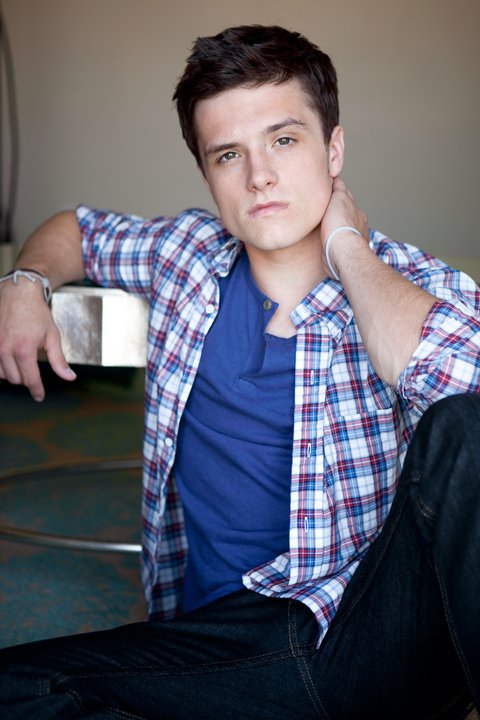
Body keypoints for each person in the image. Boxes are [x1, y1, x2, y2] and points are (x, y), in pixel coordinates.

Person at [0, 23, 479, 720]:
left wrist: (348, 248)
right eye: (229, 155)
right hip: (224, 648)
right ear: (208, 176)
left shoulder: (411, 284)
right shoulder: (186, 256)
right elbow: (78, 227)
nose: (259, 176)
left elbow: (463, 403)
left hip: (369, 633)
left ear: (333, 149)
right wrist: (26, 280)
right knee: (19, 687)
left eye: (283, 140)